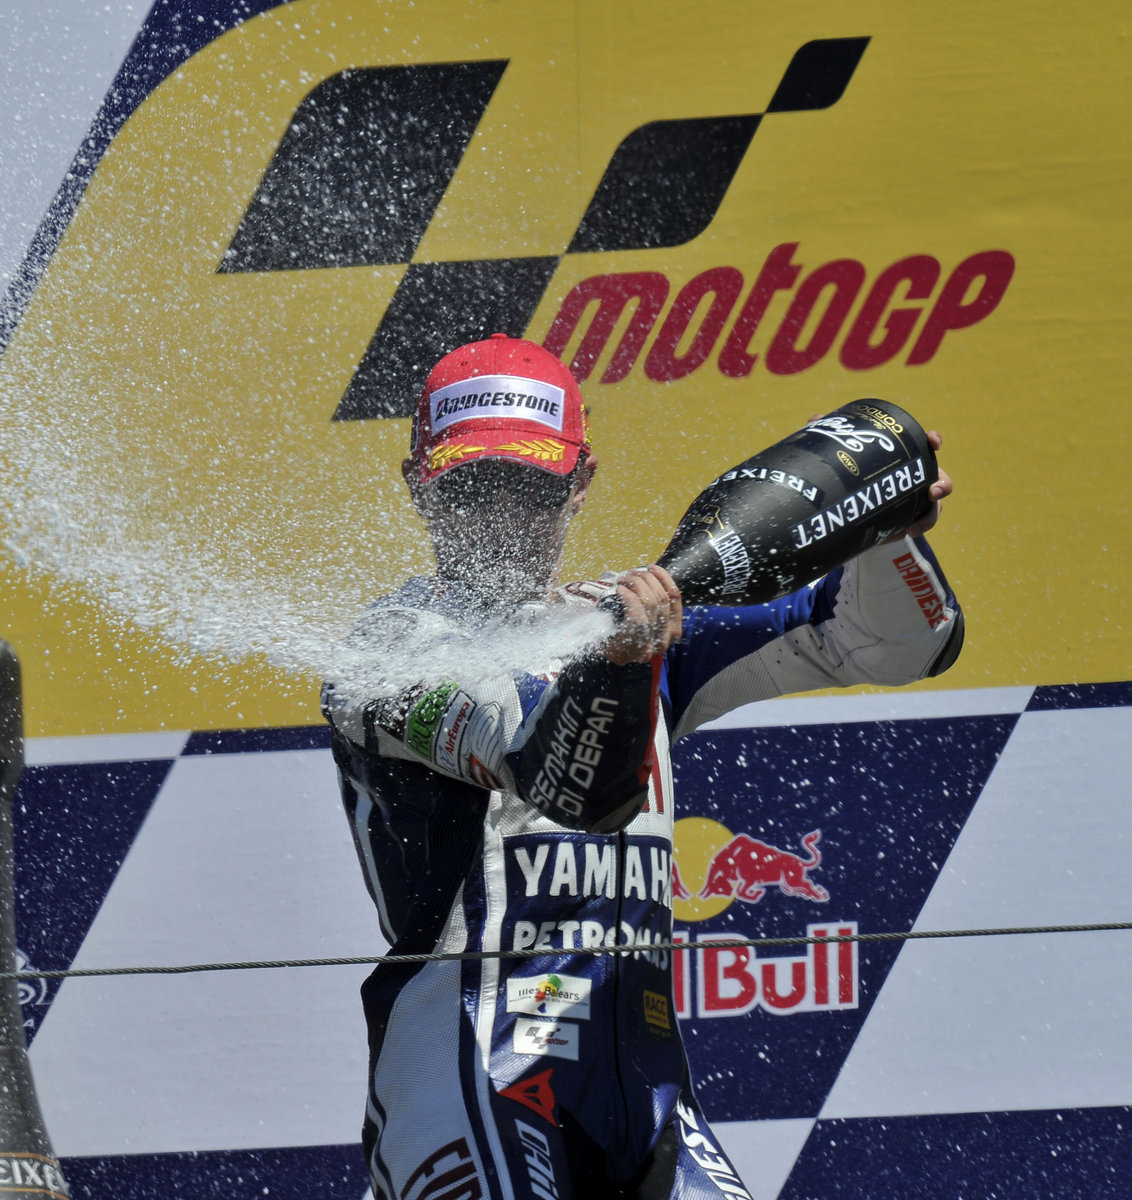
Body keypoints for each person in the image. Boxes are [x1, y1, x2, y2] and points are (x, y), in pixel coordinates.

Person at [321, 333, 962, 1200]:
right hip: (467, 1071)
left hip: (645, 1084)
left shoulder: (626, 618)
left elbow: (891, 643)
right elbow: (561, 779)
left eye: (530, 487)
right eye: (472, 487)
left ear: (579, 482)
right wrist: (624, 666)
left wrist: (878, 530)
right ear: (418, 486)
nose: (501, 516)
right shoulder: (386, 649)